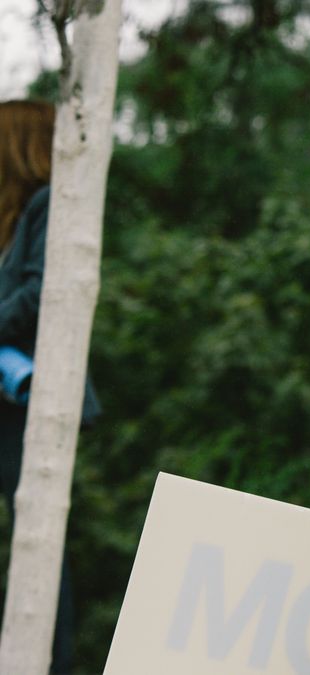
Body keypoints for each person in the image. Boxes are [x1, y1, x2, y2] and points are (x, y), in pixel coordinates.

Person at [0, 99, 99, 674]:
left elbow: (42, 295)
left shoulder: (49, 205)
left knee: (37, 543)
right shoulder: (14, 216)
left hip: (32, 400)